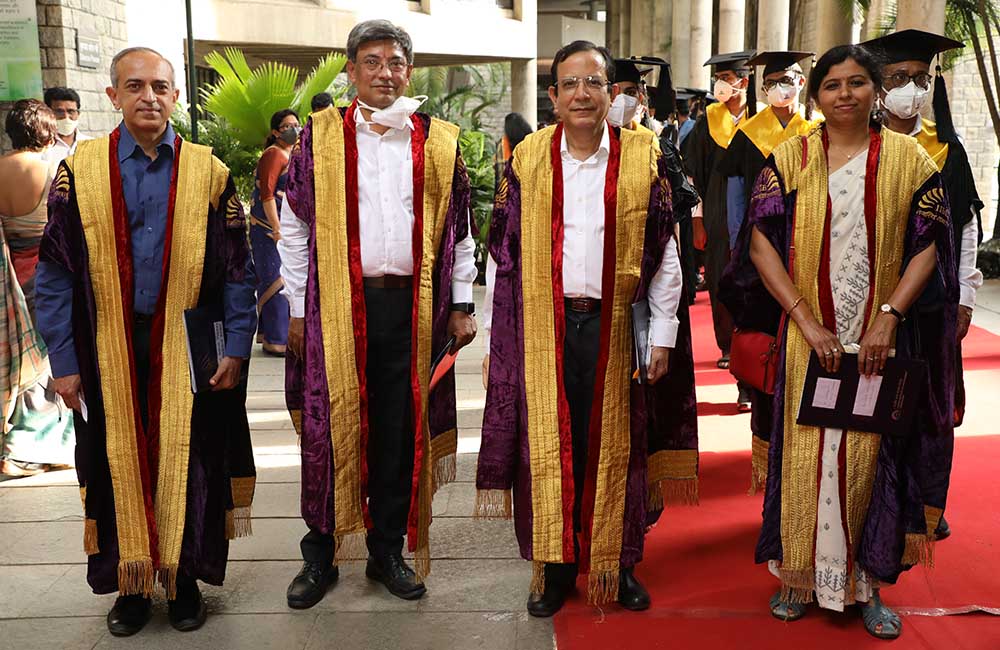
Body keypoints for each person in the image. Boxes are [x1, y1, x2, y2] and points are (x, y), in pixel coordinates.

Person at [35, 47, 258, 636]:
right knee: (115, 464)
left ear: (176, 96)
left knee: (190, 459)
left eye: (160, 86)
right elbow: (54, 274)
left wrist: (236, 346)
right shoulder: (78, 171)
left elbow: (238, 267)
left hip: (187, 345)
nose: (148, 97)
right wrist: (62, 361)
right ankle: (130, 585)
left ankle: (183, 581)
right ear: (113, 96)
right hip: (105, 341)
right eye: (134, 86)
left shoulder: (207, 171)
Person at [736, 45, 956, 639]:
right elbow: (759, 243)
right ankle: (798, 575)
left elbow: (931, 243)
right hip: (811, 338)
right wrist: (805, 321)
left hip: (878, 340)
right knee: (806, 453)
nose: (845, 94)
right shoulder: (789, 159)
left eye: (857, 83)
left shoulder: (911, 160)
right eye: (832, 85)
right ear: (817, 96)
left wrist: (888, 316)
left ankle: (870, 583)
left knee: (872, 457)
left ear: (876, 91)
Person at [477, 40, 696, 618]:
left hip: (615, 325)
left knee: (615, 449)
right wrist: (503, 346)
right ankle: (552, 568)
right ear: (553, 97)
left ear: (610, 93)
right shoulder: (527, 160)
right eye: (569, 84)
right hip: (546, 328)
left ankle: (615, 563)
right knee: (549, 446)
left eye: (593, 83)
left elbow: (665, 253)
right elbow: (503, 254)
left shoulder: (642, 157)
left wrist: (665, 334)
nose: (581, 93)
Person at [277, 19, 476, 609]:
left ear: (408, 71)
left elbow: (459, 228)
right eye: (371, 61)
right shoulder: (320, 137)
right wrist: (295, 307)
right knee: (330, 424)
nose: (384, 72)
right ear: (351, 70)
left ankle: (386, 549)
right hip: (339, 304)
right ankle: (321, 551)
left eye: (394, 62)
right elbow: (294, 226)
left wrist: (462, 302)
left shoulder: (439, 141)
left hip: (412, 307)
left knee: (396, 427)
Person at [862, 29, 986, 541]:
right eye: (898, 78)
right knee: (871, 405)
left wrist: (966, 295)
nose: (912, 87)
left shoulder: (946, 150)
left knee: (925, 406)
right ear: (878, 86)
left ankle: (923, 504)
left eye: (920, 78)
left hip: (932, 302)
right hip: (871, 302)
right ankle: (867, 501)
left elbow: (965, 228)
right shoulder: (860, 146)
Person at [718, 50, 816, 489]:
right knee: (769, 356)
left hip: (812, 260)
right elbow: (738, 207)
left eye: (792, 78)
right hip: (762, 261)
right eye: (776, 80)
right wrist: (745, 256)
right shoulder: (747, 137)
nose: (785, 86)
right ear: (763, 88)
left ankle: (808, 455)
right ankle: (771, 457)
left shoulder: (818, 132)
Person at [0, 99, 74, 477]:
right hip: (48, 275)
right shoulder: (55, 169)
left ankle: (15, 440)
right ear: (47, 130)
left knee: (19, 357)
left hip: (8, 275)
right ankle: (32, 446)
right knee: (49, 358)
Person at [681, 51, 756, 411]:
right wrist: (697, 219)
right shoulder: (706, 123)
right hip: (715, 213)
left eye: (728, 77)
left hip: (758, 216)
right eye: (719, 77)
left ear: (744, 81)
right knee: (720, 281)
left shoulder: (761, 120)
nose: (721, 84)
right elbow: (693, 174)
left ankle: (753, 366)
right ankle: (728, 346)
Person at [250, 109, 300, 356]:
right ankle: (276, 339)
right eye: (287, 126)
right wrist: (277, 228)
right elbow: (267, 194)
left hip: (286, 228)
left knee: (286, 279)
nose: (294, 129)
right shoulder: (274, 155)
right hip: (268, 229)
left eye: (296, 124)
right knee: (275, 280)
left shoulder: (292, 154)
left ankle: (276, 335)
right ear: (274, 132)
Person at [42, 87, 93, 165]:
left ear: (78, 114)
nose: (66, 117)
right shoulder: (42, 148)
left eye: (71, 111)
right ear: (48, 113)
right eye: (59, 111)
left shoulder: (91, 144)